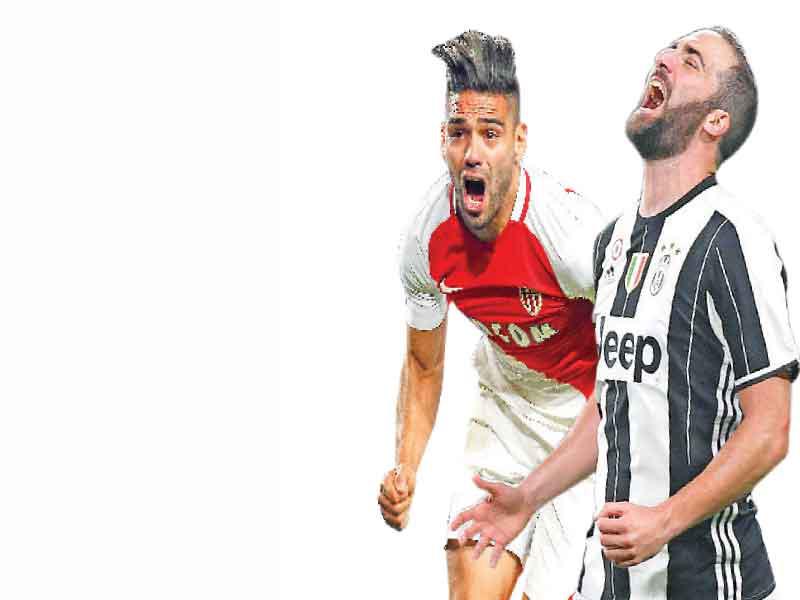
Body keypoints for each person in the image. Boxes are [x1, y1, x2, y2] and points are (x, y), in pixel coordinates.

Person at [451, 26, 798, 600]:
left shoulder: (733, 239)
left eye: (691, 60)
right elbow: (614, 399)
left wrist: (664, 520)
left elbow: (769, 429)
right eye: (670, 48)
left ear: (716, 121)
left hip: (707, 582)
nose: (665, 57)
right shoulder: (612, 242)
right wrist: (527, 498)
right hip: (609, 579)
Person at [377, 31, 606, 600]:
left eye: (490, 133)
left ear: (519, 141)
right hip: (505, 413)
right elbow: (423, 365)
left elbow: (639, 354)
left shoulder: (574, 238)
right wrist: (406, 467)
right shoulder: (426, 240)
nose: (473, 152)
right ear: (442, 141)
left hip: (586, 426)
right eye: (459, 133)